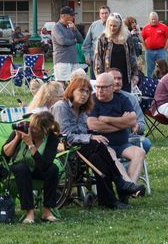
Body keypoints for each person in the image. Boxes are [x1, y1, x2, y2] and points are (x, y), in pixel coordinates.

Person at [52, 77, 143, 209]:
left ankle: (108, 200)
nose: (84, 94)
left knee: (97, 158)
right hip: (64, 149)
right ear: (71, 90)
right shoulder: (62, 107)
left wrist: (91, 136)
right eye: (81, 90)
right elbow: (65, 136)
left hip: (79, 148)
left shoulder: (82, 110)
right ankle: (119, 183)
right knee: (98, 144)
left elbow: (84, 130)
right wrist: (90, 138)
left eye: (88, 92)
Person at [1, 111, 60, 223]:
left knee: (53, 169)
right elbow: (5, 154)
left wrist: (30, 145)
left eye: (35, 129)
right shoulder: (22, 130)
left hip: (39, 169)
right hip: (19, 169)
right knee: (21, 168)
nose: (30, 131)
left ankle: (47, 210)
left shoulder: (52, 139)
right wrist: (17, 138)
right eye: (31, 126)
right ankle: (29, 212)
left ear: (45, 131)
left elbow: (44, 165)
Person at [87, 72, 145, 184]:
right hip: (104, 145)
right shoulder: (92, 100)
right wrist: (123, 123)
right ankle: (128, 185)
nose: (99, 90)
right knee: (110, 155)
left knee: (140, 153)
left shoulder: (122, 99)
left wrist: (107, 119)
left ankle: (130, 185)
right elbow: (93, 124)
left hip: (123, 144)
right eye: (97, 87)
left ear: (112, 87)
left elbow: (132, 120)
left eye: (103, 87)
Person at [108, 68, 152, 153]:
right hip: (108, 137)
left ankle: (129, 163)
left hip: (128, 136)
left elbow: (141, 123)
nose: (117, 81)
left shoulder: (131, 98)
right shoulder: (101, 98)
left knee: (146, 143)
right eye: (114, 78)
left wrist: (137, 126)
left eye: (119, 78)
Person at [94, 12, 139, 92]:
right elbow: (98, 58)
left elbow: (133, 56)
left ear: (120, 26)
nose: (112, 28)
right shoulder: (103, 38)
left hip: (125, 75)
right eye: (110, 25)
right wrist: (99, 76)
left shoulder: (127, 37)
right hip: (108, 75)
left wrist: (135, 74)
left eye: (115, 26)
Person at [52, 6, 84, 83]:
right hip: (62, 61)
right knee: (61, 84)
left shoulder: (70, 27)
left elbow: (81, 40)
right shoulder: (57, 27)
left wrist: (75, 29)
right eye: (71, 15)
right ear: (63, 16)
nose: (72, 17)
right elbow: (63, 42)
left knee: (74, 84)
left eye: (73, 15)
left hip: (73, 60)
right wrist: (74, 41)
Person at [82, 5, 110, 78]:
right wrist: (87, 56)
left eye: (106, 13)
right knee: (95, 83)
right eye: (102, 13)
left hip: (110, 60)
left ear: (109, 14)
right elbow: (86, 44)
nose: (104, 15)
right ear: (99, 15)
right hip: (95, 60)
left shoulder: (113, 25)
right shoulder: (94, 25)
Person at [141, 12, 168, 77]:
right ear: (149, 19)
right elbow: (142, 38)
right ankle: (150, 82)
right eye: (152, 19)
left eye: (155, 19)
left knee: (163, 68)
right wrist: (145, 47)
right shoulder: (146, 28)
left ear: (158, 19)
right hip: (149, 51)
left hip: (160, 51)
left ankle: (164, 81)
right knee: (149, 68)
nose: (153, 21)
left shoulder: (164, 27)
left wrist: (165, 48)